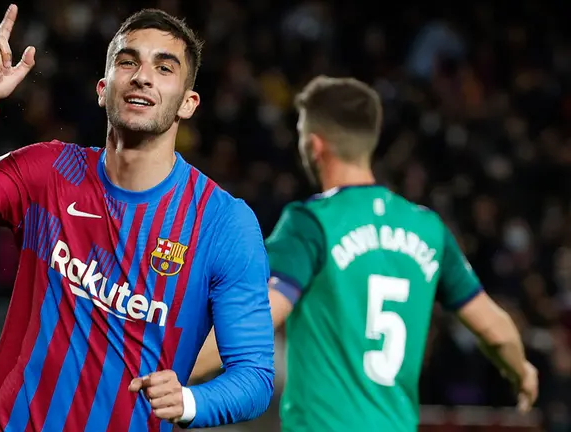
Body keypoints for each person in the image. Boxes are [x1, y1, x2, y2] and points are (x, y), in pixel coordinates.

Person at [0, 5, 274, 432]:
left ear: (188, 103)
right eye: (127, 61)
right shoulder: (47, 171)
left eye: (164, 67)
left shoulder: (223, 224)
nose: (142, 76)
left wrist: (190, 400)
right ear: (102, 87)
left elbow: (254, 377)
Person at [190, 76, 539, 431]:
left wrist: (172, 372)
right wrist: (522, 371)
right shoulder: (428, 228)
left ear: (314, 144)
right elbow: (496, 330)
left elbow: (253, 322)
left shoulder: (312, 222)